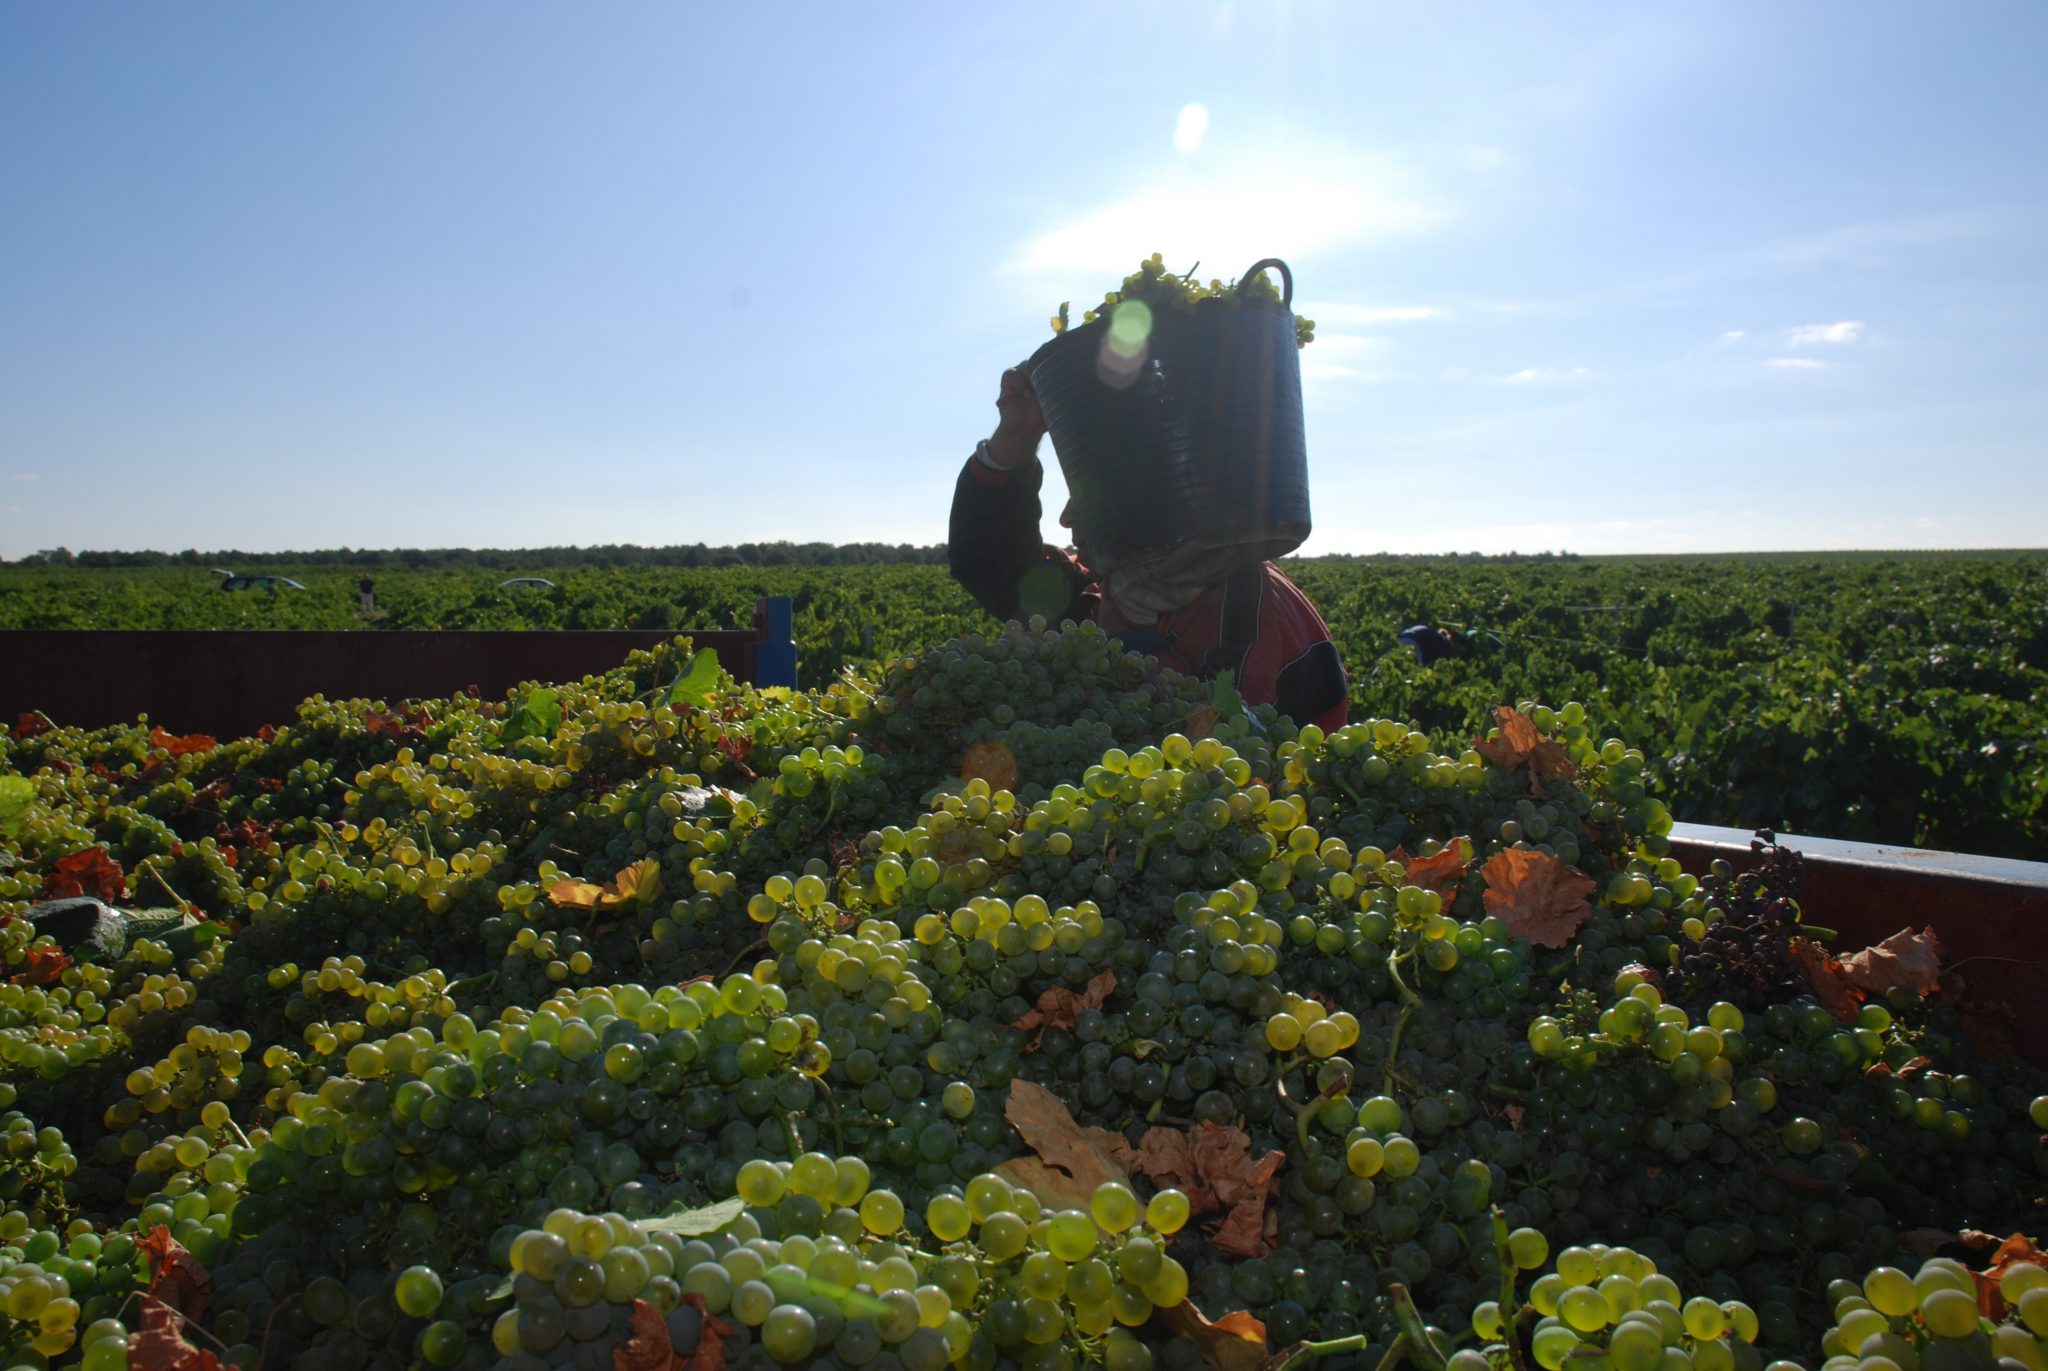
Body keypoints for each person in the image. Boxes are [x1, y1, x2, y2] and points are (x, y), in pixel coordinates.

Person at [949, 367, 1349, 733]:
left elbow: (1218, 764)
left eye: (1090, 501)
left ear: (1154, 504)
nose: (1066, 521)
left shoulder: (1246, 608)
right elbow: (991, 559)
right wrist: (1017, 436)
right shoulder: (1103, 590)